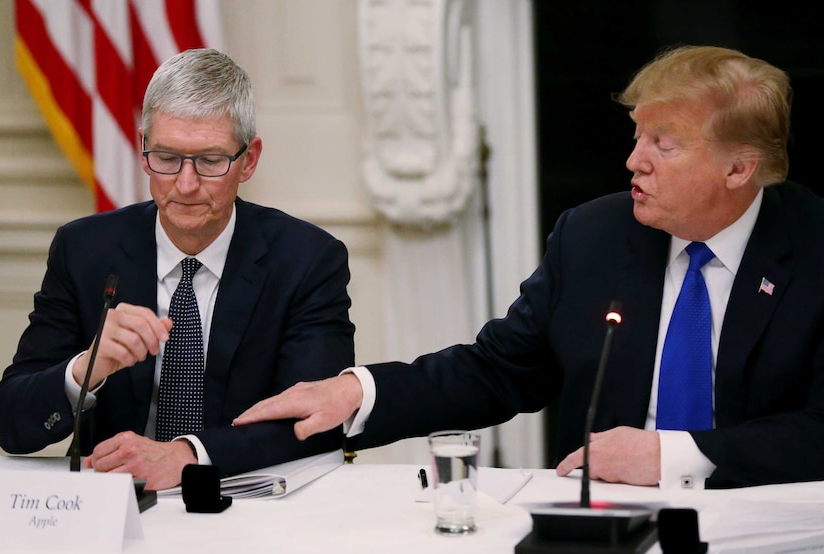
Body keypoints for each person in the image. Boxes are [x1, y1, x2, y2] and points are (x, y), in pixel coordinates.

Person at [233, 45, 824, 489]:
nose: (633, 162)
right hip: (604, 524)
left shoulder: (814, 248)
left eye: (663, 145)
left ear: (739, 170)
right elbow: (498, 370)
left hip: (766, 524)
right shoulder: (595, 235)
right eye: (637, 135)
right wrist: (359, 392)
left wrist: (675, 456)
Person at [0, 48, 355, 490]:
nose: (185, 184)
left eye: (209, 161)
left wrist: (188, 456)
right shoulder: (84, 249)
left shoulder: (307, 260)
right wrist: (86, 368)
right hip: (119, 505)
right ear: (144, 151)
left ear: (249, 160)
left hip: (244, 506)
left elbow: (312, 422)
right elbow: (10, 424)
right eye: (166, 157)